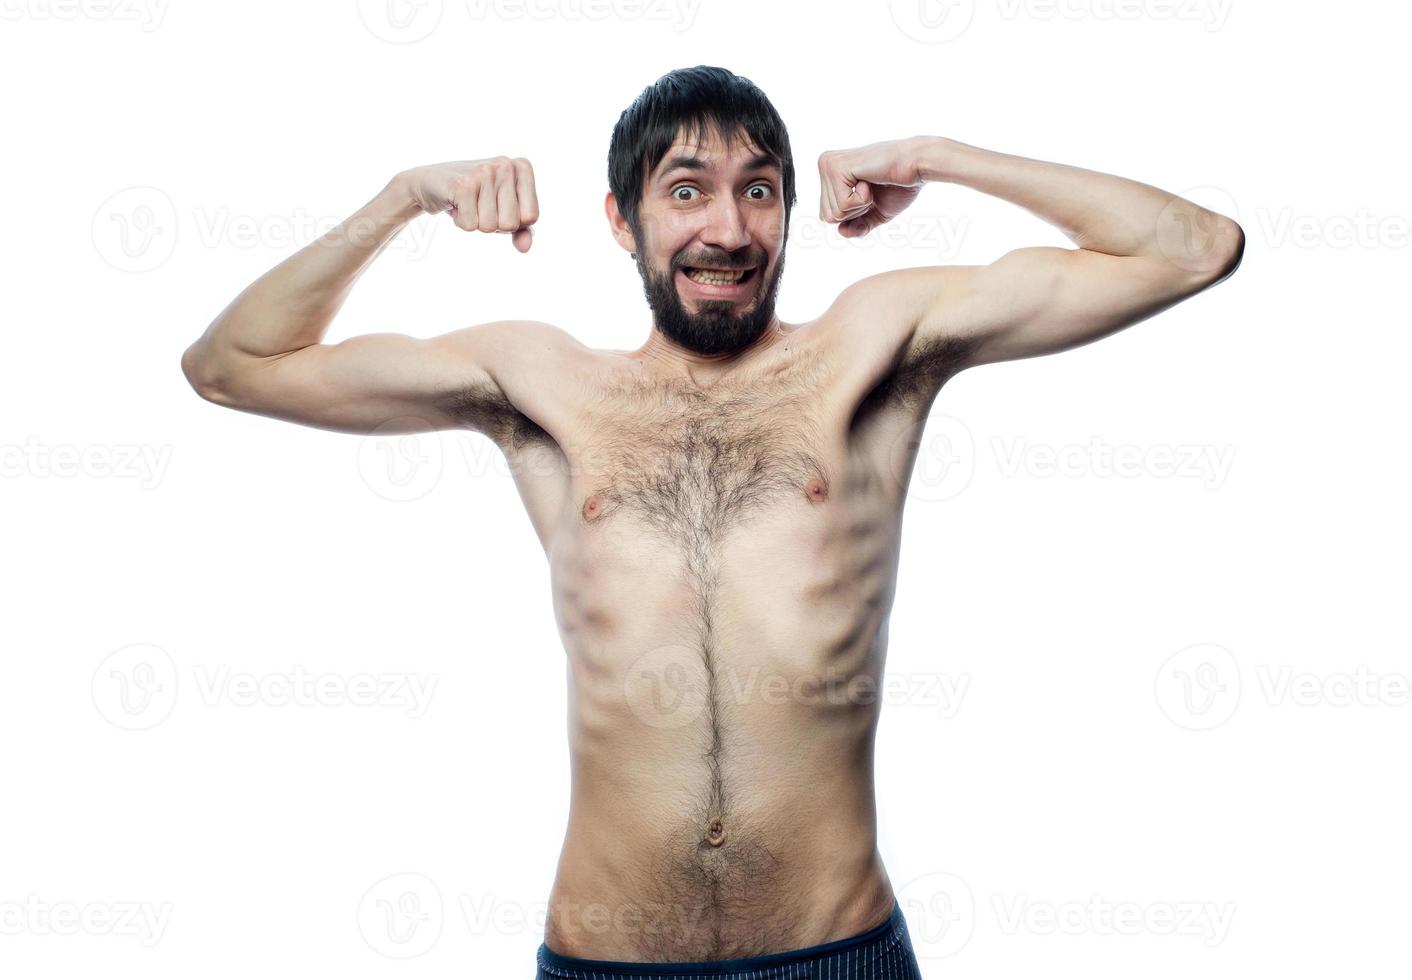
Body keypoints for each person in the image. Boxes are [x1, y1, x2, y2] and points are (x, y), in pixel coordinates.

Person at [180, 65, 1243, 979]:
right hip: (604, 959)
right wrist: (403, 196)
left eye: (759, 191)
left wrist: (939, 154)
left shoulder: (871, 345)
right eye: (684, 190)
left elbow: (1191, 247)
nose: (726, 229)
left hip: (838, 949)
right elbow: (232, 365)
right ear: (621, 219)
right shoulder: (539, 379)